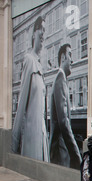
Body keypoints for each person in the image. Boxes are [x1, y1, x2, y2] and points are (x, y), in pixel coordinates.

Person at [11, 16, 49, 162]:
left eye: (46, 31)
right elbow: (21, 106)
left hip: (42, 137)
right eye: (42, 30)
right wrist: (14, 146)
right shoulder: (29, 60)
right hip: (32, 141)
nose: (44, 34)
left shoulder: (39, 64)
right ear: (34, 33)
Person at [49, 44, 82, 169]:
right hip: (60, 152)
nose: (72, 60)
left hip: (60, 150)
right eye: (70, 55)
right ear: (63, 57)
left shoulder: (61, 79)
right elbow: (63, 122)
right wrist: (76, 154)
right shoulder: (60, 79)